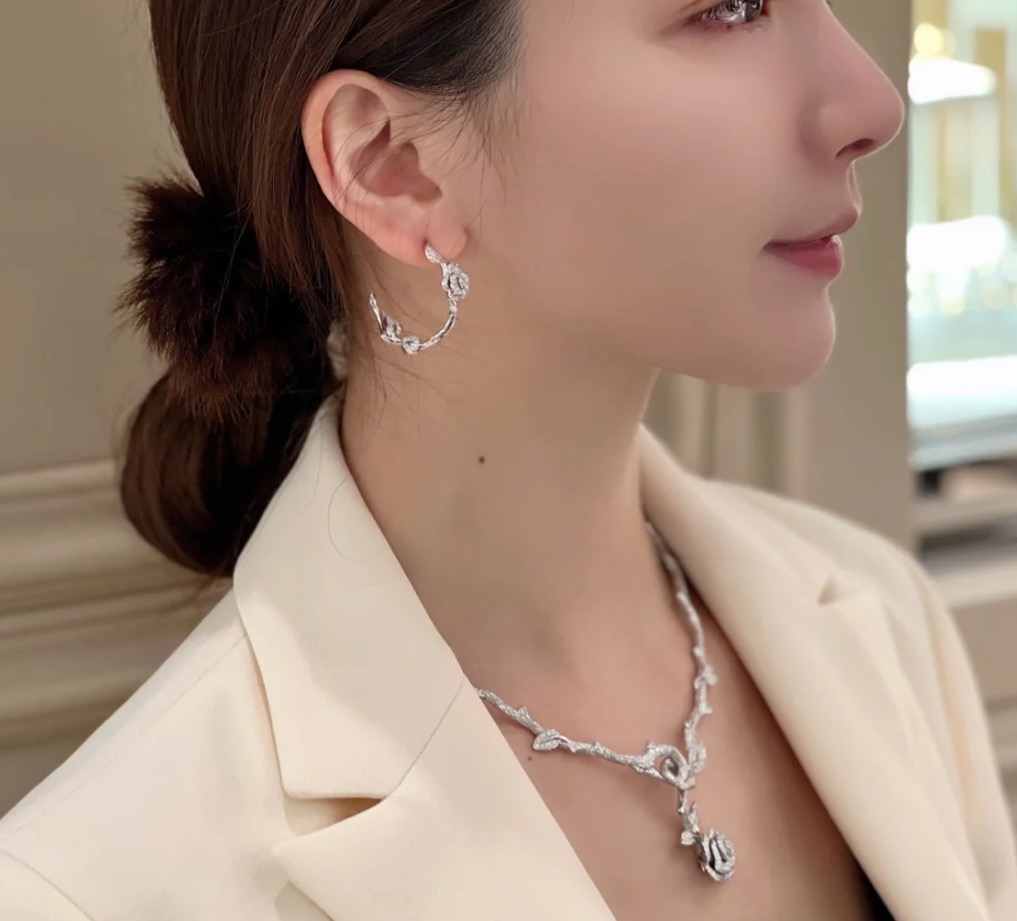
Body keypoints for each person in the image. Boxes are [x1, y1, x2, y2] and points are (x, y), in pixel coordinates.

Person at [1, 0, 1015, 918]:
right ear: (393, 161)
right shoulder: (96, 888)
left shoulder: (884, 625)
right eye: (729, 7)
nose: (872, 102)